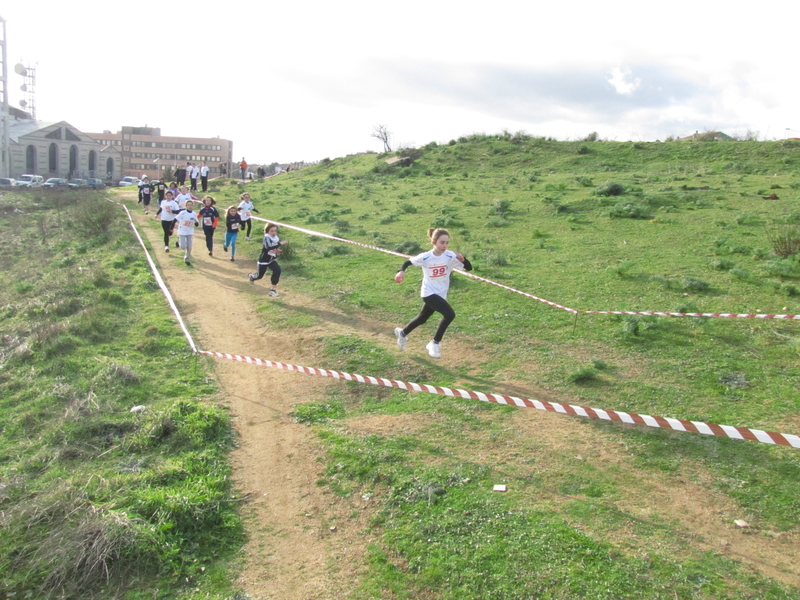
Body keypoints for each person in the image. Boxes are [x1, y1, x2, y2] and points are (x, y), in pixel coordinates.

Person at [393, 228, 472, 358]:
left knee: (422, 318)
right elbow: (408, 262)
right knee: (449, 314)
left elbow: (469, 268)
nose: (445, 246)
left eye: (447, 243)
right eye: (442, 242)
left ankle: (402, 333)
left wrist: (463, 260)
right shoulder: (426, 257)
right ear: (434, 242)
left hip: (441, 293)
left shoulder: (450, 255)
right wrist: (401, 271)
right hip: (428, 292)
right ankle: (434, 343)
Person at [248, 223, 287, 296]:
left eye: (275, 231)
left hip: (271, 260)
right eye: (271, 231)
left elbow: (273, 249)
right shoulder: (266, 238)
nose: (274, 233)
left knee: (277, 270)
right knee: (259, 276)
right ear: (267, 231)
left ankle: (273, 290)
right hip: (263, 260)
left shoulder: (275, 238)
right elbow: (269, 247)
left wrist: (277, 252)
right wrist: (280, 244)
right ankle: (252, 276)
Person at [175, 199, 199, 265]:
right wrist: (171, 227)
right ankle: (179, 241)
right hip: (182, 231)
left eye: (191, 205)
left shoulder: (194, 214)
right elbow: (175, 219)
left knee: (189, 247)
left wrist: (196, 223)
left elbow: (196, 222)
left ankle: (187, 259)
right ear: (186, 206)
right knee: (183, 246)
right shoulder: (182, 213)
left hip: (190, 232)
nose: (190, 206)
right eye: (188, 205)